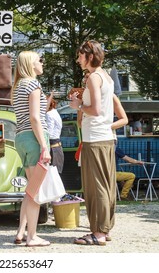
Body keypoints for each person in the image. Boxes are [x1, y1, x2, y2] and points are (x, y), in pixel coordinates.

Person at [69, 40, 115, 246]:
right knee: (105, 185)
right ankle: (104, 229)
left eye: (80, 55)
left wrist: (78, 105)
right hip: (103, 137)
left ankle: (98, 233)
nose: (78, 59)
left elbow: (95, 110)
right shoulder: (105, 76)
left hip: (94, 139)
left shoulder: (93, 78)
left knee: (96, 187)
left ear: (89, 56)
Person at [12, 51, 51, 247]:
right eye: (39, 60)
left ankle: (21, 231)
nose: (42, 63)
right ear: (30, 64)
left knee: (30, 190)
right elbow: (36, 118)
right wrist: (44, 145)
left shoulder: (18, 85)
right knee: (35, 192)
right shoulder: (33, 85)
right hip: (35, 138)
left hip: (21, 138)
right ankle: (32, 236)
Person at [46, 92, 64, 173]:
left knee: (51, 173)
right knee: (56, 174)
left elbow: (48, 133)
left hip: (52, 146)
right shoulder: (55, 112)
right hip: (57, 146)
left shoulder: (49, 114)